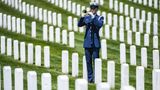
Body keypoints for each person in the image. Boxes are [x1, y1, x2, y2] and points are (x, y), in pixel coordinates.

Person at [78, 2, 104, 83]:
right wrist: (82, 17)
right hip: (87, 43)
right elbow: (79, 24)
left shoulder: (100, 18)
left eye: (94, 8)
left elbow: (99, 25)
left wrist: (93, 17)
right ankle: (90, 78)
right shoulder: (87, 17)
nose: (92, 9)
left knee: (96, 61)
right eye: (91, 7)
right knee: (88, 61)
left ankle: (96, 78)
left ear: (96, 9)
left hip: (95, 43)